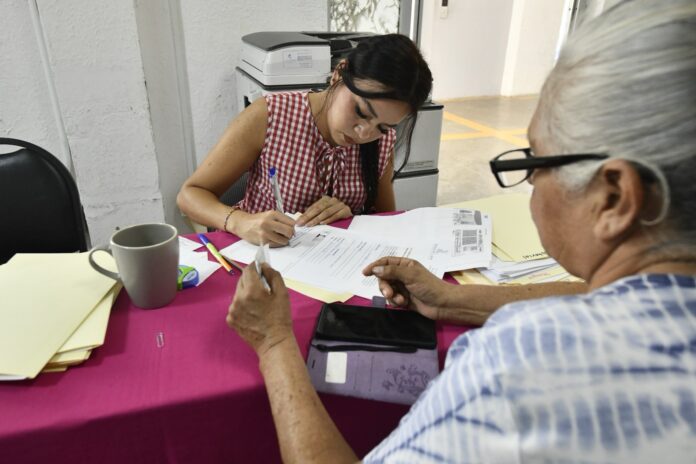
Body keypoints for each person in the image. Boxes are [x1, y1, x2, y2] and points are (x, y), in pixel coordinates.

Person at [226, 0, 696, 462]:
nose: (530, 182)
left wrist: (275, 342)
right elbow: (590, 294)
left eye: (536, 159)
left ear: (614, 199)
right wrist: (450, 300)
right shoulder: (273, 114)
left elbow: (385, 214)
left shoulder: (514, 364)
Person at [177, 34, 432, 246]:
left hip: (331, 268)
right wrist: (239, 221)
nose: (364, 133)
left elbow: (384, 220)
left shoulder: (381, 143)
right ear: (339, 74)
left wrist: (351, 216)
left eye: (383, 127)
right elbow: (190, 195)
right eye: (361, 112)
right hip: (263, 260)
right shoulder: (270, 115)